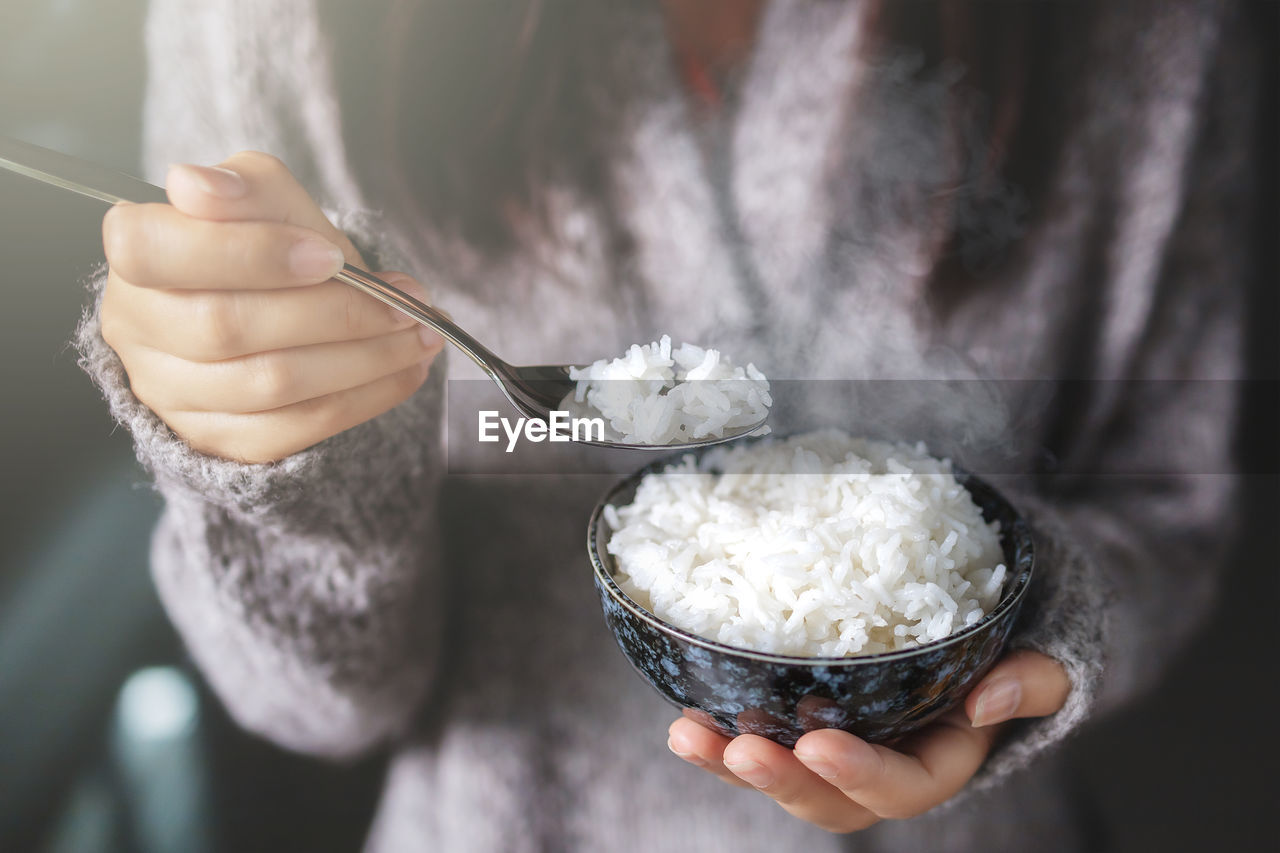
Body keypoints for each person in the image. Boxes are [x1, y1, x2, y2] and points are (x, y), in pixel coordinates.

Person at [76, 0, 1257, 850]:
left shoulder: (1160, 33)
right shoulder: (274, 25)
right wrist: (285, 467)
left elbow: (1168, 510)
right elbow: (312, 704)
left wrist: (1025, 636)